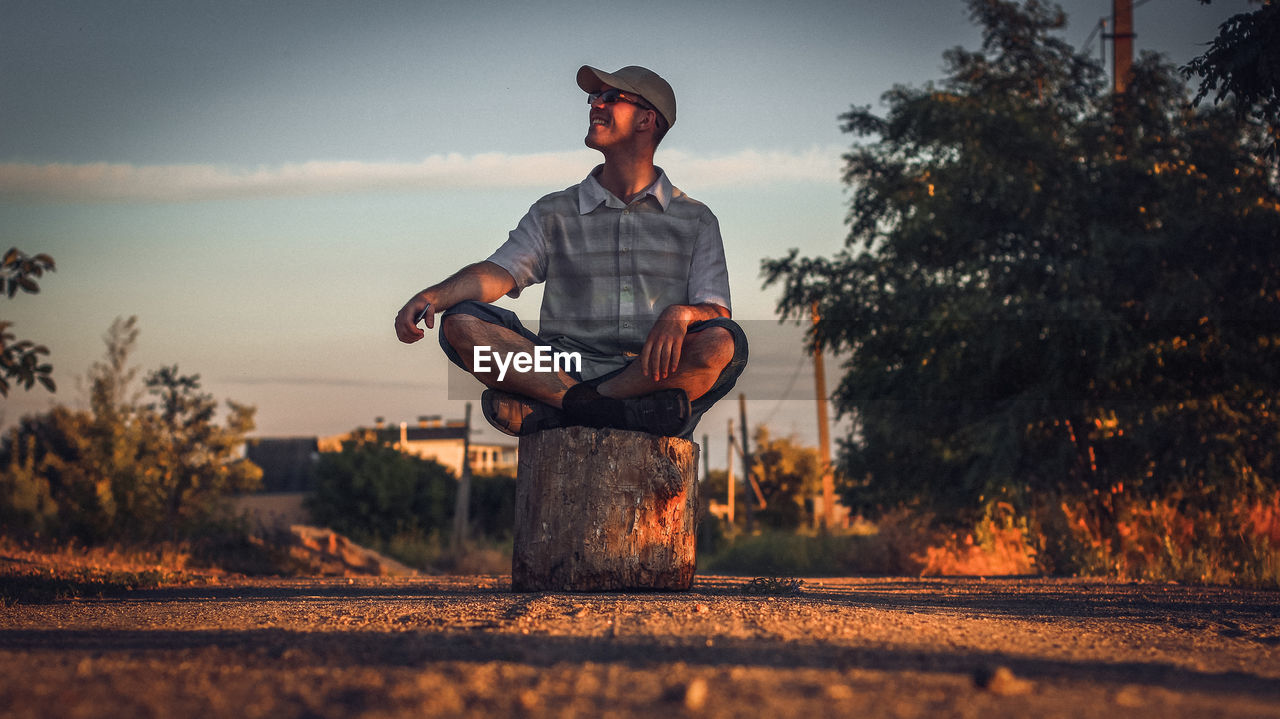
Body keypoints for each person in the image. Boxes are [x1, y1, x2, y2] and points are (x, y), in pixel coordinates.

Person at [393, 64, 747, 439]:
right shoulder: (553, 211)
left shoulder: (696, 219)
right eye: (594, 98)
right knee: (461, 323)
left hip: (650, 374)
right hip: (560, 369)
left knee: (724, 342)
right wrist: (434, 295)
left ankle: (564, 408)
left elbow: (715, 310)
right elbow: (500, 272)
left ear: (647, 119)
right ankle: (616, 412)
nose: (595, 105)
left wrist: (683, 313)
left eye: (611, 98)